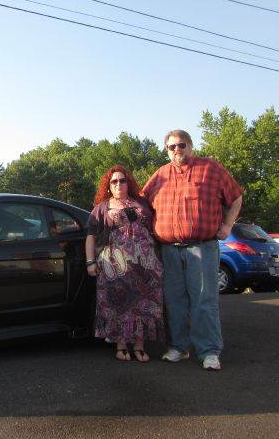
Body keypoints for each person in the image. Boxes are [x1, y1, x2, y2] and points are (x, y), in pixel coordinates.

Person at [142, 130, 242, 371]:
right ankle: (179, 347)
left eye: (182, 145)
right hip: (169, 249)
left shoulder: (211, 169)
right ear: (166, 150)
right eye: (172, 146)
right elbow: (142, 204)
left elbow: (236, 197)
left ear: (190, 145)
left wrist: (228, 225)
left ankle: (209, 351)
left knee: (203, 300)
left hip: (202, 247)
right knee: (174, 301)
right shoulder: (160, 175)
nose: (177, 150)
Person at [86, 165, 166, 362]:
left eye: (122, 180)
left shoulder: (142, 203)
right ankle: (121, 345)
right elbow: (90, 236)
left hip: (146, 265)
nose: (119, 184)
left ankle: (139, 346)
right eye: (114, 181)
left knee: (145, 304)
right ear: (108, 186)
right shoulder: (102, 208)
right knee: (119, 303)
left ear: (128, 183)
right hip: (115, 266)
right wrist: (90, 262)